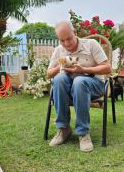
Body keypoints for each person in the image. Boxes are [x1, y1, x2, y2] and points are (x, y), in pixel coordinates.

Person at [47, 21, 111, 152]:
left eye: (69, 38)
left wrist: (84, 69)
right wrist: (61, 66)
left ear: (75, 33)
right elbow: (49, 73)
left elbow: (107, 68)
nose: (66, 43)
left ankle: (83, 133)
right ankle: (64, 129)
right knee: (59, 79)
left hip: (93, 84)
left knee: (79, 82)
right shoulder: (59, 50)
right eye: (62, 40)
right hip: (70, 88)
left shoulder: (91, 44)